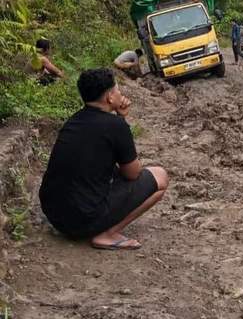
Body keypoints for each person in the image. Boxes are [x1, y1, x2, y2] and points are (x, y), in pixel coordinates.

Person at [39, 68, 169, 250]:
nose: (120, 93)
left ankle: (96, 222)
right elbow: (133, 174)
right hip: (80, 221)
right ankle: (107, 235)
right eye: (117, 90)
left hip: (54, 214)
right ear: (109, 97)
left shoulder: (73, 121)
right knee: (160, 176)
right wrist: (122, 121)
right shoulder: (115, 126)